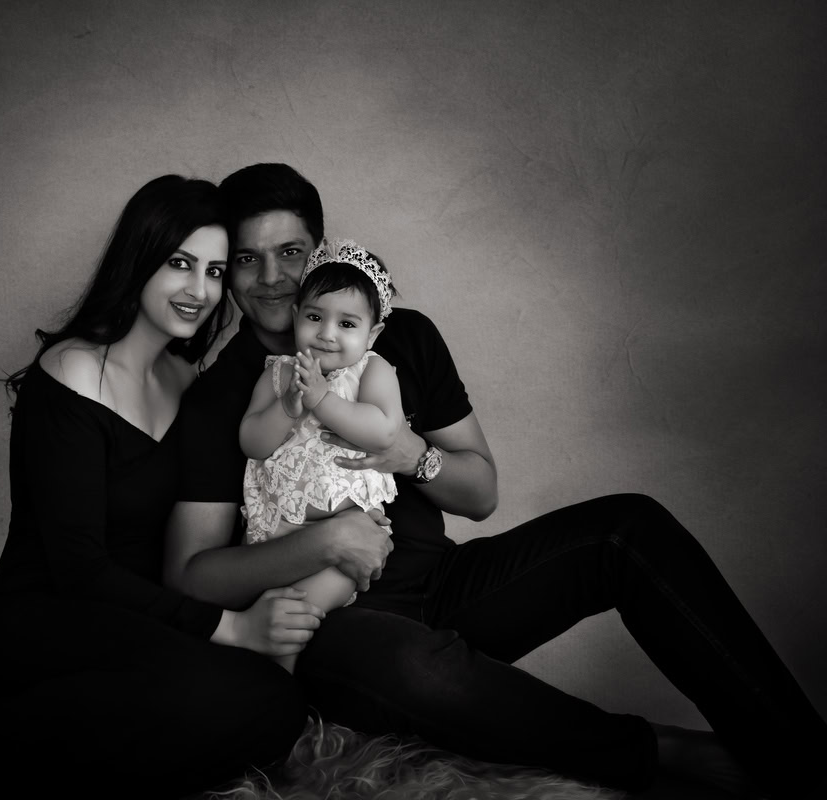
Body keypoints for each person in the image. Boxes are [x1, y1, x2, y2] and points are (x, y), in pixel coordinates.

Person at [165, 162, 827, 797]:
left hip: (441, 585)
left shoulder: (400, 342)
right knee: (407, 663)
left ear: (320, 253)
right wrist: (327, 542)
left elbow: (480, 495)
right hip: (330, 622)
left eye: (290, 253)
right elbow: (191, 577)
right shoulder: (224, 395)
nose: (273, 278)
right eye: (248, 259)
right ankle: (659, 751)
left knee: (628, 529)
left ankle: (799, 755)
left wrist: (410, 453)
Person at [0, 175, 314, 798]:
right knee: (248, 697)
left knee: (271, 702)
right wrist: (231, 628)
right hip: (45, 626)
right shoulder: (73, 371)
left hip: (140, 624)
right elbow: (79, 568)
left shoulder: (186, 382)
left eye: (214, 271)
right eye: (180, 263)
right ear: (139, 259)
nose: (199, 290)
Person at [240, 238, 402, 672]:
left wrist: (322, 399)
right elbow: (252, 443)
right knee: (263, 609)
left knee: (294, 616)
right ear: (296, 317)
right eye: (314, 317)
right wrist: (287, 407)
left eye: (347, 323)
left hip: (346, 543)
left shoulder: (372, 370)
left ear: (372, 333)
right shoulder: (280, 373)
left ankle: (283, 683)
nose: (327, 333)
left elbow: (384, 431)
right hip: (275, 535)